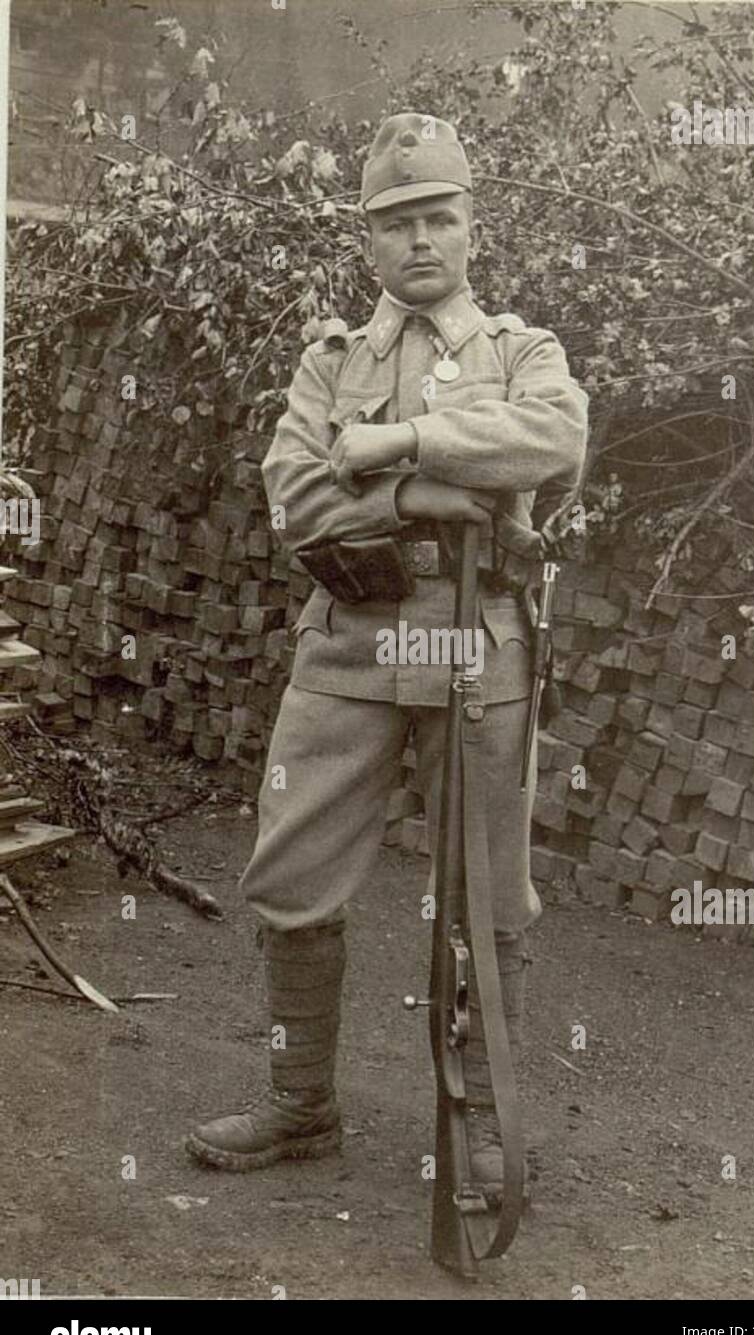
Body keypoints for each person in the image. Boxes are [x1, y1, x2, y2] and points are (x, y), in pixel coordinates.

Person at [186, 112, 589, 1200]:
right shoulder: (331, 361)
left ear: (471, 228)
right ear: (368, 242)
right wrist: (431, 493)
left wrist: (401, 443)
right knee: (292, 870)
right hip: (349, 643)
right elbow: (297, 494)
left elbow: (553, 437)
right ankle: (299, 1100)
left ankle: (486, 1127)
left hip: (477, 646)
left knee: (489, 892)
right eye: (397, 223)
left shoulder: (521, 352)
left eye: (439, 218)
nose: (421, 241)